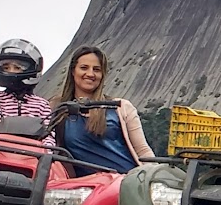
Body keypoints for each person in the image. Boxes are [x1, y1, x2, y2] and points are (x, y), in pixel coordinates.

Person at [53, 45, 155, 173]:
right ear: (73, 71)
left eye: (96, 69)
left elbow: (143, 150)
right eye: (84, 68)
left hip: (126, 183)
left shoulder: (121, 107)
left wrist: (155, 177)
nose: (90, 74)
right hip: (82, 188)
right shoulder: (58, 109)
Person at [0, 38, 55, 142]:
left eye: (17, 68)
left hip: (33, 155)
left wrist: (44, 154)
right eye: (6, 68)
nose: (11, 72)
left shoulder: (42, 105)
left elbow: (49, 137)